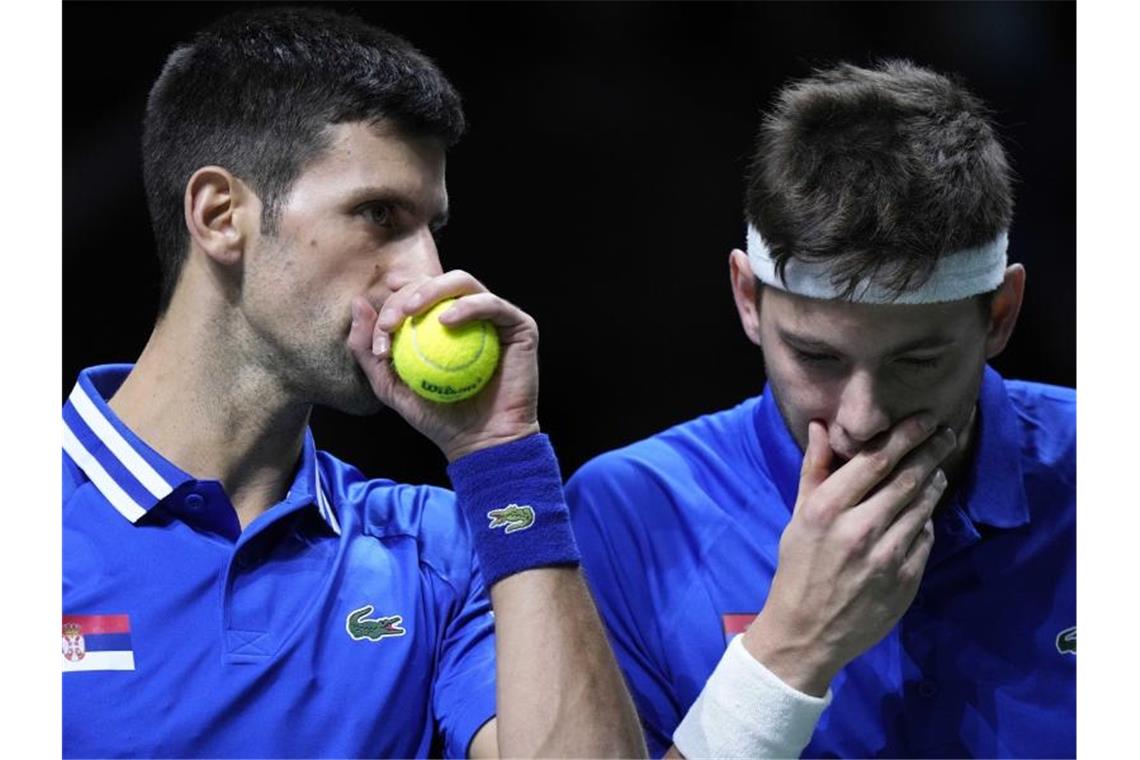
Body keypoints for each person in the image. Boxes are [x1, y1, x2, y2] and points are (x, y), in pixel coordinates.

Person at [61, 7, 644, 758]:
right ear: (220, 215)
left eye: (429, 227)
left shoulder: (441, 546)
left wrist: (501, 453)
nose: (428, 275)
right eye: (378, 215)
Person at [566, 60, 1075, 758]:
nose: (861, 418)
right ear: (748, 299)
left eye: (916, 360)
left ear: (1001, 315)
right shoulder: (629, 513)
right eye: (817, 358)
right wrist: (790, 650)